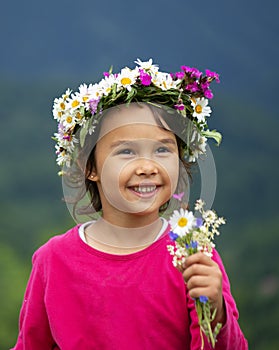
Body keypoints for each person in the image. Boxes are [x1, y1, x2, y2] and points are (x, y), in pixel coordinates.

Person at [12, 59, 248, 349]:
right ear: (90, 166)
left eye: (163, 149)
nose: (147, 166)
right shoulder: (53, 260)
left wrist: (215, 310)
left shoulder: (192, 255)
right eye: (126, 151)